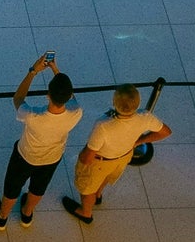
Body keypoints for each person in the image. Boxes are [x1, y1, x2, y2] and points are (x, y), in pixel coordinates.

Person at [0, 55, 81, 230]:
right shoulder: (76, 112)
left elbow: (18, 99)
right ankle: (27, 213)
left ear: (48, 95)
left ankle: (2, 217)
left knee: (12, 187)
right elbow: (69, 94)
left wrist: (33, 72)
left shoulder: (33, 116)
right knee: (38, 188)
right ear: (68, 95)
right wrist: (56, 70)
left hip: (25, 156)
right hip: (52, 159)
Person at [63, 83, 171, 225]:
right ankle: (98, 195)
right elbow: (165, 132)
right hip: (124, 156)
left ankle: (86, 213)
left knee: (87, 189)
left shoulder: (104, 125)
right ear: (137, 103)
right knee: (106, 178)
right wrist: (139, 142)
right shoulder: (145, 117)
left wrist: (81, 161)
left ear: (114, 102)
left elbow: (89, 156)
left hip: (101, 161)